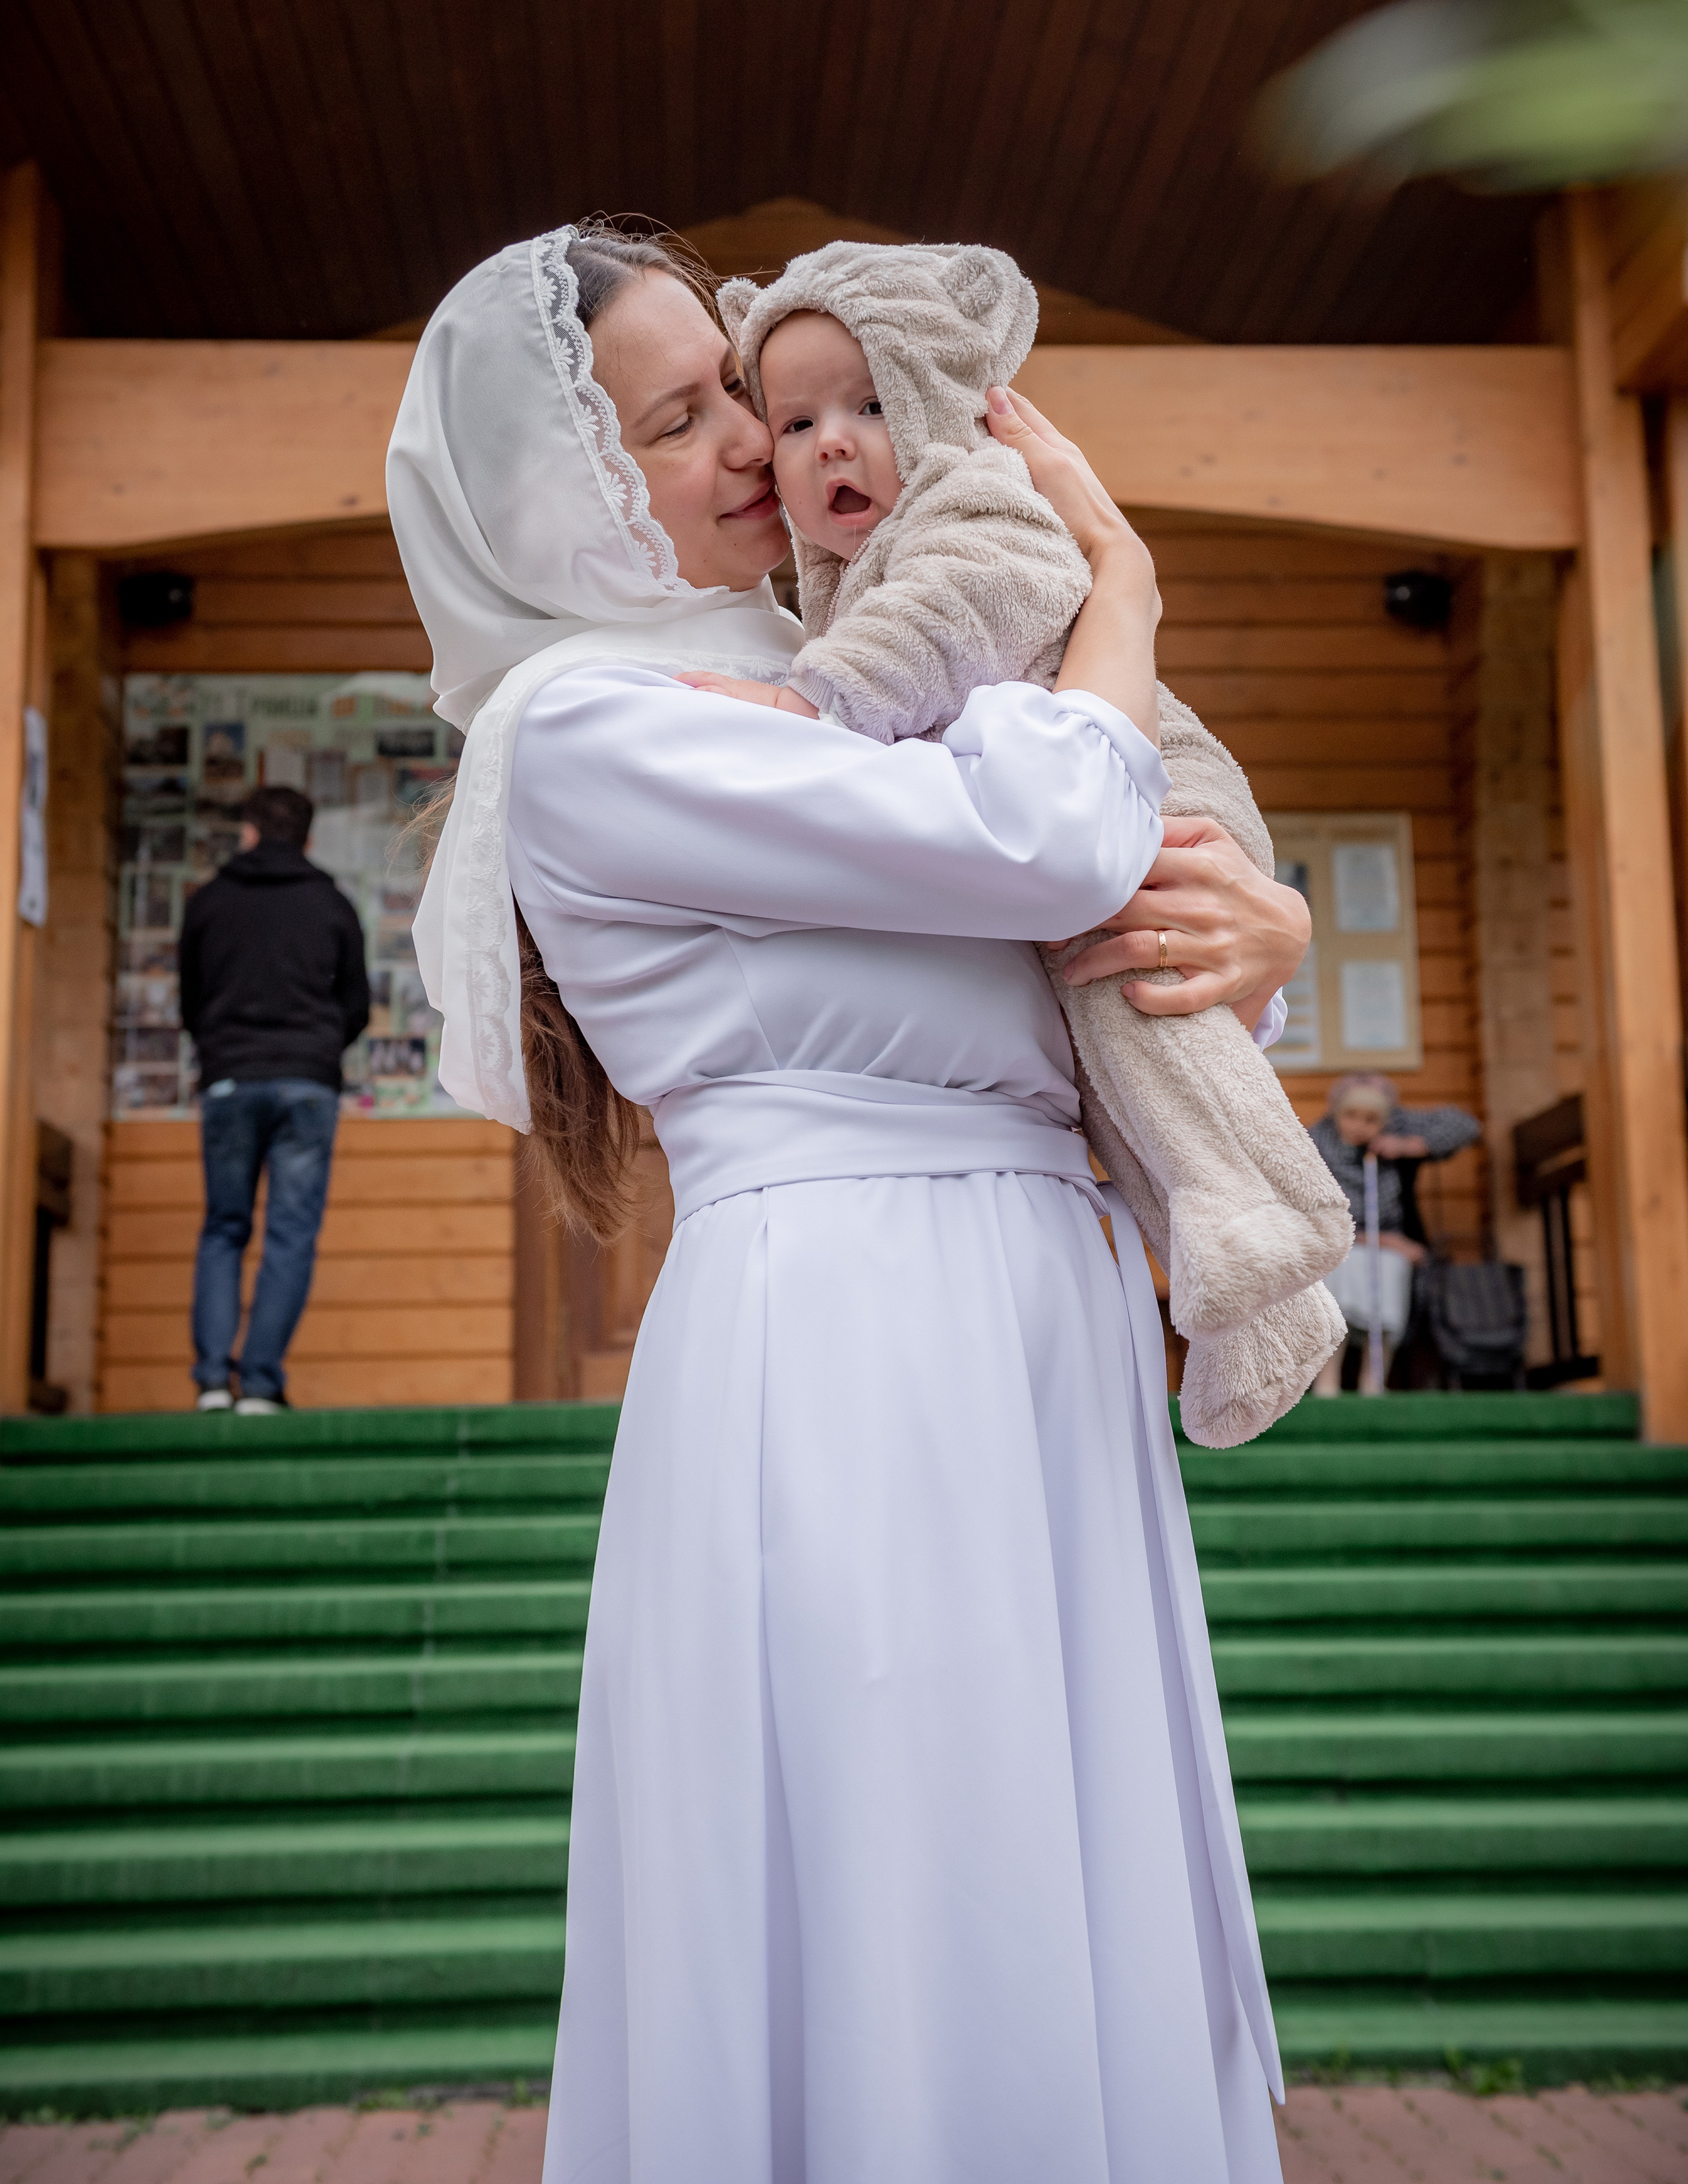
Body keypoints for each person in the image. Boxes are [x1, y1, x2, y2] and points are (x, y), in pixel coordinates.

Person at [389, 223, 1310, 2183]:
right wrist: (1121, 590)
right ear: (564, 487)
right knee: (917, 1844)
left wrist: (1268, 922)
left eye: (736, 385)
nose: (748, 436)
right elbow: (1048, 827)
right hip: (849, 1330)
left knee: (1053, 1837)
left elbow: (1102, 935)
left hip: (1032, 1314)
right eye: (675, 418)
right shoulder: (591, 729)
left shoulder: (823, 660)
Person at [690, 240, 1350, 1445]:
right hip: (1082, 838)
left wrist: (816, 702)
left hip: (1165, 802)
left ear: (949, 406)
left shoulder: (976, 505)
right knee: (1111, 1063)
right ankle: (1260, 1308)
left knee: (1127, 1014)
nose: (833, 439)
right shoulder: (840, 575)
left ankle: (1265, 1215)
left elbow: (960, 610)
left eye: (878, 401)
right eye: (797, 420)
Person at [178, 784, 369, 1412]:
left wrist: (222, 1051)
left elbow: (191, 999)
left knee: (224, 1228)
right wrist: (315, 1052)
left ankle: (211, 1381)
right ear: (307, 839)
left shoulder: (209, 902)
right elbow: (357, 1007)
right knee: (290, 1233)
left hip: (229, 1080)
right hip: (307, 1083)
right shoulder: (331, 903)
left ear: (251, 833)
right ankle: (260, 1385)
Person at [1310, 1072, 1482, 1393]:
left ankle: (1373, 1380)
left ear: (1385, 1122)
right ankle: (1327, 1381)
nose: (1360, 1125)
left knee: (1393, 1269)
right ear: (1336, 1114)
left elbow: (1465, 1125)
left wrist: (1408, 1146)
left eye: (1371, 1119)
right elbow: (1313, 1220)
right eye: (1351, 1116)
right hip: (1335, 1244)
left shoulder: (1395, 1134)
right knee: (1339, 1272)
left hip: (1389, 1250)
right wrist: (1387, 1241)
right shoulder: (1313, 1144)